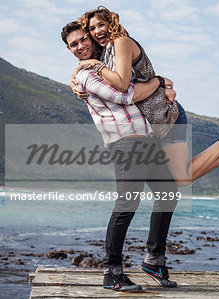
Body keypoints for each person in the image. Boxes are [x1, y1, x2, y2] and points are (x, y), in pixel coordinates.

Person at [72, 6, 219, 190]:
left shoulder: (121, 42)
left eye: (101, 25)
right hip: (152, 124)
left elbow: (122, 84)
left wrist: (94, 64)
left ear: (111, 23)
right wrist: (75, 80)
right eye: (92, 28)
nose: (97, 31)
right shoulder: (106, 54)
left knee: (181, 179)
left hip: (166, 115)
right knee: (179, 180)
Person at [62, 21, 179, 291]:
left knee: (168, 194)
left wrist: (160, 87)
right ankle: (112, 272)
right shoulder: (86, 76)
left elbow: (132, 84)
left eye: (83, 40)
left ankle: (154, 260)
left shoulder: (105, 65)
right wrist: (159, 81)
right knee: (126, 206)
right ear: (69, 50)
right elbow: (125, 95)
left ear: (91, 38)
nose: (80, 47)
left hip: (146, 141)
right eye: (73, 45)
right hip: (126, 144)